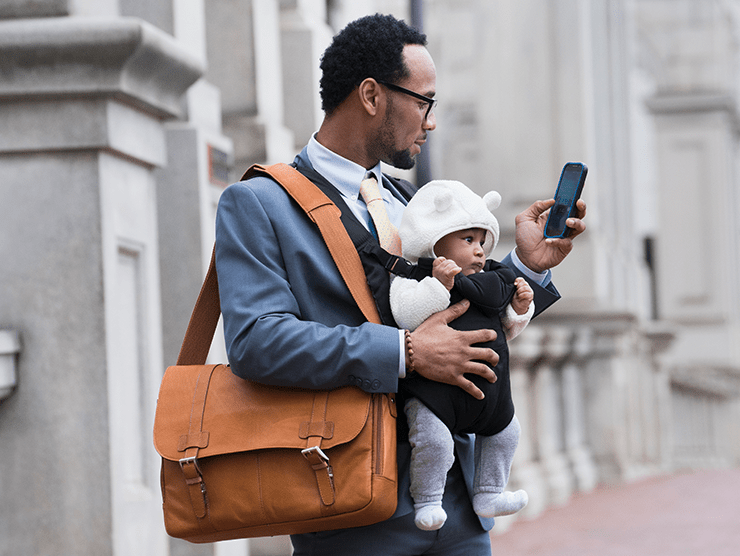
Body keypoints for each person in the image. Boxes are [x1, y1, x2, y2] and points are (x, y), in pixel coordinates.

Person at [215, 13, 586, 556]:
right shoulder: (260, 203)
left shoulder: (416, 204)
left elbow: (466, 318)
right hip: (348, 508)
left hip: (456, 502)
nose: (430, 121)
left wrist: (526, 268)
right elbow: (256, 342)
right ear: (371, 95)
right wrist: (406, 352)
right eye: (424, 101)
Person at [389, 179, 533, 531]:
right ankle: (427, 499)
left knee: (507, 433)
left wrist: (519, 309)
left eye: (482, 241)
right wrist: (438, 287)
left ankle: (489, 491)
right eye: (468, 240)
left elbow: (504, 329)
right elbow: (405, 315)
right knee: (433, 441)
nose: (480, 251)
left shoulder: (490, 281)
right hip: (435, 394)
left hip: (490, 395)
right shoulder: (414, 276)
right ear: (434, 241)